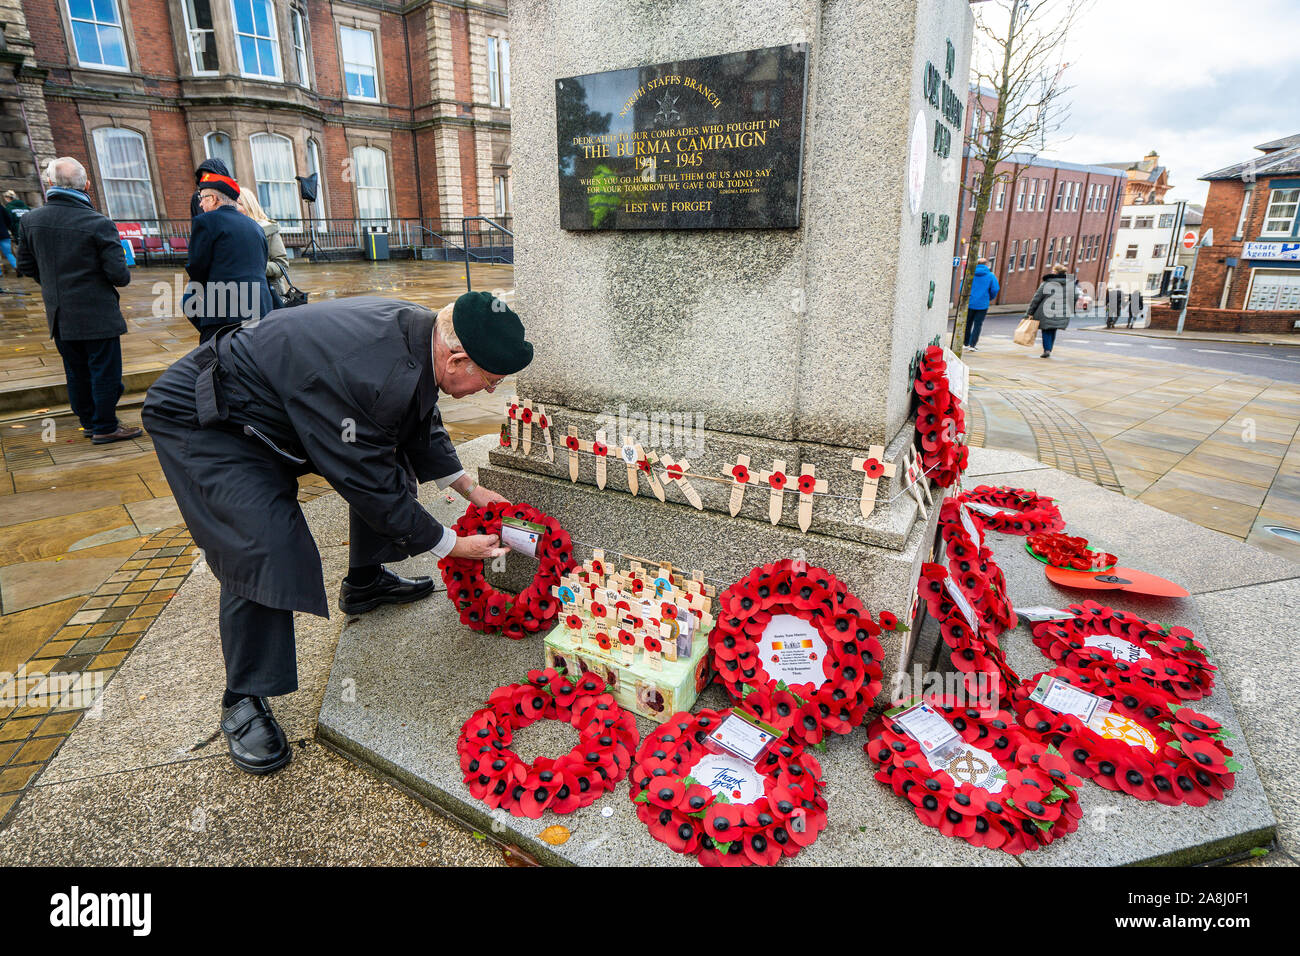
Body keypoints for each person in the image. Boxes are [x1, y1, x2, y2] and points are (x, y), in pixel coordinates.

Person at [141, 290, 529, 775]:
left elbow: (415, 416)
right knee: (263, 544)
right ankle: (242, 697)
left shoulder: (422, 337)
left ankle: (365, 583)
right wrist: (450, 545)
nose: (491, 392)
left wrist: (470, 488)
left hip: (280, 413)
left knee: (395, 463)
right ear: (457, 357)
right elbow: (364, 478)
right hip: (211, 421)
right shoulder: (370, 367)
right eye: (490, 380)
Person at [16, 158, 142, 444]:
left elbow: (25, 265)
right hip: (97, 313)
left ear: (50, 184)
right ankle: (106, 426)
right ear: (86, 185)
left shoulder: (30, 221)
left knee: (76, 372)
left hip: (60, 314)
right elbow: (119, 276)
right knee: (105, 372)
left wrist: (53, 286)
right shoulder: (98, 223)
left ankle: (89, 422)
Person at [185, 172, 273, 342]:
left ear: (214, 199)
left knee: (219, 360)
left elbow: (196, 267)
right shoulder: (254, 225)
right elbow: (261, 264)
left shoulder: (205, 221)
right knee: (255, 358)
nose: (201, 204)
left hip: (224, 309)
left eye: (203, 198)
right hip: (259, 305)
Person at [234, 188, 291, 310]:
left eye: (239, 204)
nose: (236, 209)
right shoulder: (232, 231)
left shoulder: (268, 229)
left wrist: (254, 267)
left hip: (270, 293)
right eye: (233, 205)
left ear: (250, 205)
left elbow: (281, 265)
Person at [1026, 264, 1075, 359]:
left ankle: (1047, 349)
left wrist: (1030, 312)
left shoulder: (1047, 283)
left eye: (1053, 271)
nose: (1052, 272)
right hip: (1061, 311)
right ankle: (1049, 349)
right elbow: (1074, 298)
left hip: (1046, 311)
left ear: (1056, 272)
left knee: (1046, 329)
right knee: (1053, 329)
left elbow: (1037, 298)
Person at [963, 257, 999, 350]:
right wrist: (989, 298)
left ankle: (965, 343)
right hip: (982, 304)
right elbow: (995, 289)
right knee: (977, 325)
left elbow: (961, 288)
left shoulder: (970, 274)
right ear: (986, 264)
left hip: (969, 303)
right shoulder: (990, 276)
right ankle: (972, 345)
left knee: (967, 323)